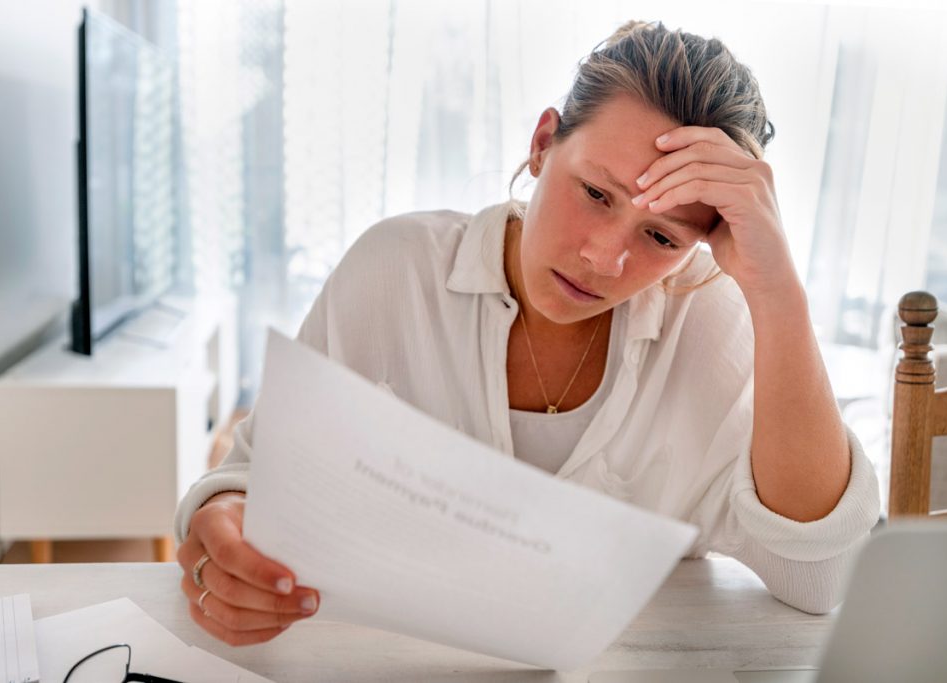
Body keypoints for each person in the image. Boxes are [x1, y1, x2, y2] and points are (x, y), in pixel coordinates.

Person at [173, 19, 881, 647]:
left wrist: (778, 290)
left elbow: (819, 576)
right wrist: (223, 525)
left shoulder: (710, 326)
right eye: (596, 193)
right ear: (544, 143)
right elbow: (254, 480)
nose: (606, 257)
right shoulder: (395, 271)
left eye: (661, 235)